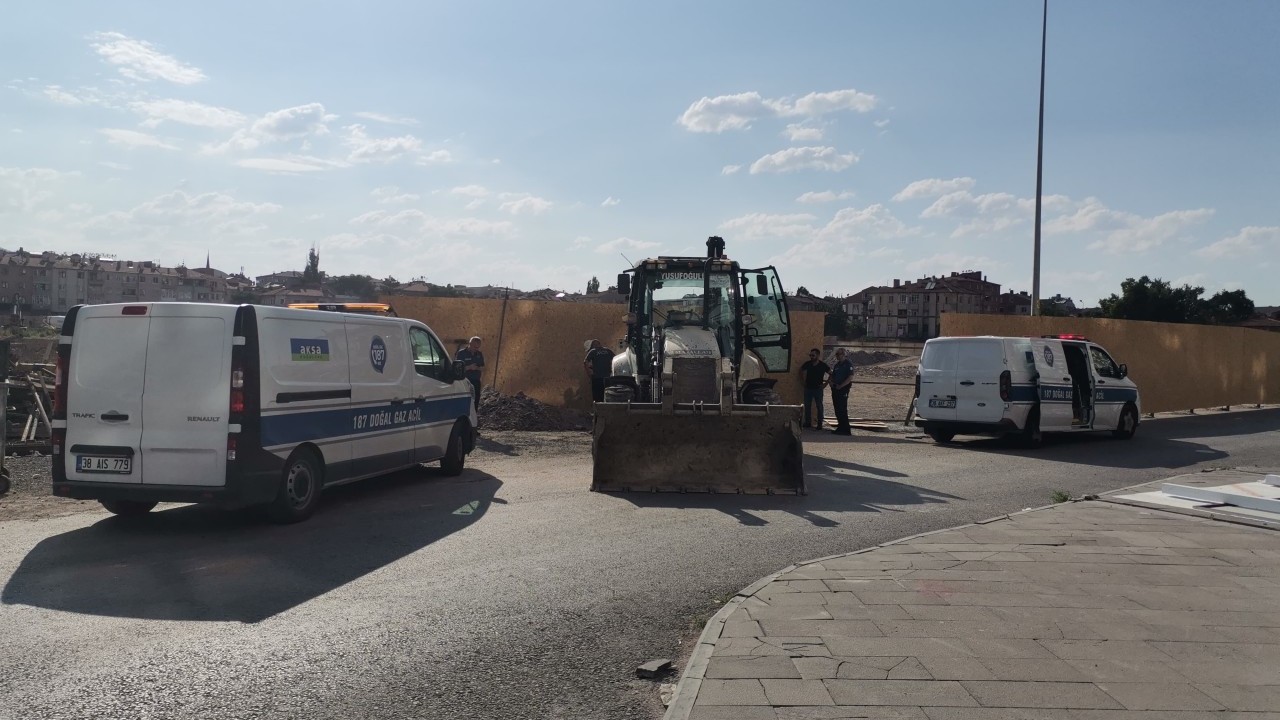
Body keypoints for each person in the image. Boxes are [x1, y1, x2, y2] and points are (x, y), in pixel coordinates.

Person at [798, 348, 830, 430]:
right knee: (807, 406)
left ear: (818, 356)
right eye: (810, 355)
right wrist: (802, 381)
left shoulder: (823, 365)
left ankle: (820, 424)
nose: (811, 357)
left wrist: (825, 384)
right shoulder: (808, 364)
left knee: (819, 406)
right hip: (808, 388)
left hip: (818, 389)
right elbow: (800, 371)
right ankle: (808, 422)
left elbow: (831, 373)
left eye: (813, 355)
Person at [828, 348, 854, 435]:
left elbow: (850, 377)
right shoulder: (837, 365)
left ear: (843, 354)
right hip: (835, 389)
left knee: (842, 409)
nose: (837, 356)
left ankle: (846, 429)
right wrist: (831, 382)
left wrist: (841, 386)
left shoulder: (848, 364)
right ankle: (840, 427)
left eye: (839, 354)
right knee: (837, 409)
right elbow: (833, 375)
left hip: (843, 389)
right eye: (836, 354)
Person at [455, 336, 484, 408]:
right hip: (465, 381)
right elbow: (457, 368)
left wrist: (477, 368)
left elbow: (483, 367)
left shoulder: (479, 354)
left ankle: (474, 416)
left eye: (478, 347)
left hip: (476, 381)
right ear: (470, 344)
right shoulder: (461, 353)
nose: (476, 349)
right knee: (465, 401)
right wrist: (469, 367)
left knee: (475, 401)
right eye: (475, 347)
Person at [583, 339, 614, 403]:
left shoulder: (593, 351)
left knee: (597, 398)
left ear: (592, 346)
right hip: (608, 378)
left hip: (597, 378)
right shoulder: (608, 350)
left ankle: (597, 411)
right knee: (608, 395)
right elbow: (616, 359)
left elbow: (585, 362)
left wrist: (589, 373)